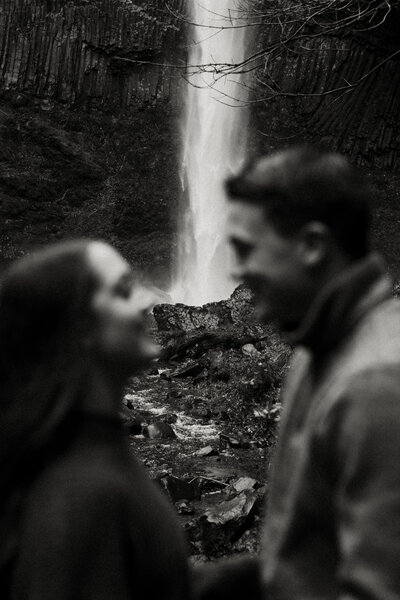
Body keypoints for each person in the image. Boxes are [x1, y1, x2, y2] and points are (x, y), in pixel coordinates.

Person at [194, 146, 400, 599]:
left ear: (312, 246)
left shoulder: (378, 385)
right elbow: (321, 542)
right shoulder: (316, 349)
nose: (236, 269)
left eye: (246, 249)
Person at [0, 240, 190, 599]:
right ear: (80, 328)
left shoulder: (80, 453)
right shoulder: (81, 497)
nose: (146, 300)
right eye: (123, 292)